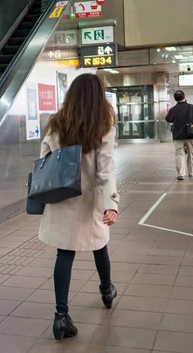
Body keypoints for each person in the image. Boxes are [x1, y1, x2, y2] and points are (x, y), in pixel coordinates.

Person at [38, 73, 119, 341]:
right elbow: (106, 168)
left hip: (62, 197)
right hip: (90, 200)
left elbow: (44, 159)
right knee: (99, 245)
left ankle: (61, 316)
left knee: (65, 253)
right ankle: (106, 290)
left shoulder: (57, 123)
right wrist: (111, 204)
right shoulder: (103, 124)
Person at [165, 90, 193, 180]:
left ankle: (181, 173)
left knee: (179, 154)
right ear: (184, 97)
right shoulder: (192, 107)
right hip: (190, 135)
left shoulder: (173, 109)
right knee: (191, 153)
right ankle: (191, 172)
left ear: (175, 99)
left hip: (178, 135)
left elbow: (168, 119)